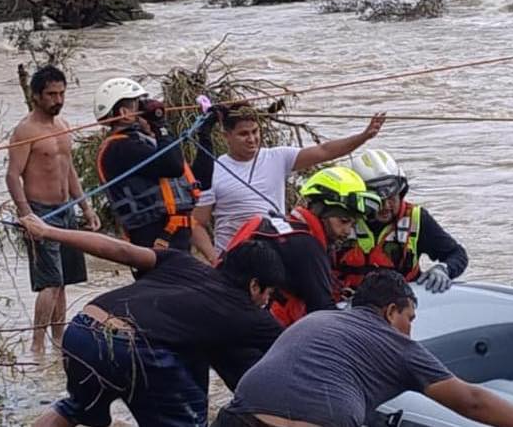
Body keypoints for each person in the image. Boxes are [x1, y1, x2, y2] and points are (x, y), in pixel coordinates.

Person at [19, 214, 283, 427]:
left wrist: (48, 231)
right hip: (131, 346)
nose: (266, 303)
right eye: (268, 294)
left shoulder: (183, 262)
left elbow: (120, 250)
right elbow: (299, 353)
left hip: (83, 329)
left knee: (75, 408)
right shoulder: (252, 317)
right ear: (254, 285)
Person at [213, 270, 513, 427]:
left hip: (236, 417)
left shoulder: (317, 320)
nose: (410, 328)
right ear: (391, 311)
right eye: (409, 317)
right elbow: (472, 402)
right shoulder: (399, 347)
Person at [192, 102, 386, 261]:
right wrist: (213, 258)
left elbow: (325, 151)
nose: (252, 139)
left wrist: (363, 136)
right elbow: (197, 223)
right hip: (232, 256)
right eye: (244, 134)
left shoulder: (278, 157)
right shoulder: (213, 170)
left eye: (255, 131)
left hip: (275, 253)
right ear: (226, 136)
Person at [5, 65, 100, 354]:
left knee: (64, 282)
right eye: (51, 94)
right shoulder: (25, 130)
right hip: (40, 211)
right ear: (36, 96)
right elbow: (12, 175)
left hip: (67, 209)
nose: (57, 100)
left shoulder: (63, 126)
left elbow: (69, 170)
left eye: (61, 93)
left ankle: (58, 342)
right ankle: (36, 346)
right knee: (50, 281)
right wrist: (26, 214)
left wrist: (86, 207)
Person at [225, 165, 381, 328]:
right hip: (257, 330)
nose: (347, 231)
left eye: (352, 224)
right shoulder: (307, 247)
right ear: (320, 211)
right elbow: (323, 312)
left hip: (231, 314)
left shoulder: (283, 228)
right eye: (343, 221)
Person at [93, 77, 214, 259]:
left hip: (174, 239)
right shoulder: (120, 149)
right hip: (154, 240)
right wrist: (161, 125)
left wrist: (205, 134)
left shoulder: (144, 144)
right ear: (125, 112)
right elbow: (173, 167)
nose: (145, 109)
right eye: (138, 105)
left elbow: (201, 181)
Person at [338, 149, 468, 294]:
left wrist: (443, 269)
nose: (386, 207)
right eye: (378, 201)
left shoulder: (416, 218)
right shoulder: (341, 219)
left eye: (392, 199)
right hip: (348, 305)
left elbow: (457, 254)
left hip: (402, 307)